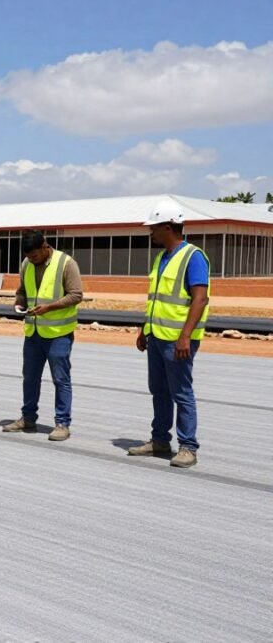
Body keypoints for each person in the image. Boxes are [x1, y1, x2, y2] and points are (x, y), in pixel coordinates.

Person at [129, 197, 210, 469]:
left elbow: (200, 299)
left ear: (168, 226)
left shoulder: (193, 257)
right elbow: (156, 299)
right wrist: (145, 329)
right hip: (157, 337)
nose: (150, 232)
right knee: (159, 391)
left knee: (181, 393)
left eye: (153, 227)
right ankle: (160, 440)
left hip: (178, 340)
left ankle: (188, 447)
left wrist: (185, 336)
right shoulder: (161, 258)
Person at [3, 231, 83, 441]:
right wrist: (19, 302)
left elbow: (76, 295)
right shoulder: (26, 264)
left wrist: (50, 307)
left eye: (35, 256)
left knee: (60, 380)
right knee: (30, 378)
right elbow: (22, 291)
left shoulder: (66, 263)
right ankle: (28, 418)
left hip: (59, 334)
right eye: (29, 257)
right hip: (33, 332)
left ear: (45, 246)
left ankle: (62, 423)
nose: (32, 260)